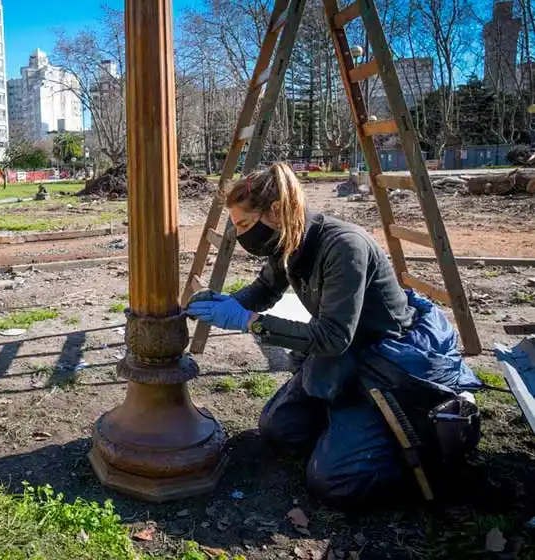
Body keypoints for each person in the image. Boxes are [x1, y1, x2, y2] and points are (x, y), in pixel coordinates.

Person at [185, 162, 481, 509]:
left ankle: (409, 439)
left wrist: (249, 321)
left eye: (245, 225)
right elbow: (265, 288)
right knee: (280, 430)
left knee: (333, 482)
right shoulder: (289, 241)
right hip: (344, 358)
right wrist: (228, 303)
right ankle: (347, 429)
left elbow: (332, 337)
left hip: (386, 366)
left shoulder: (343, 247)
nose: (241, 236)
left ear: (276, 211)